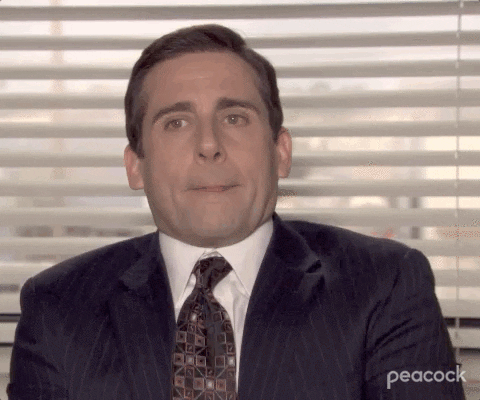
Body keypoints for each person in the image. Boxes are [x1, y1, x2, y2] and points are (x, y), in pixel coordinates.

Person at [8, 24, 465, 400]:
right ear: (135, 166)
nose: (209, 145)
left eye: (234, 118)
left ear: (281, 152)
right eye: (176, 122)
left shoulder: (387, 285)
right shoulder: (56, 307)